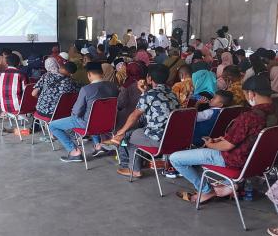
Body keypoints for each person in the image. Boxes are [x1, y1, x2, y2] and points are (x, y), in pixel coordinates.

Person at [170, 75, 277, 204]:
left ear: (251, 94)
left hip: (232, 159)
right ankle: (226, 185)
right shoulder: (274, 113)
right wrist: (225, 139)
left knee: (175, 159)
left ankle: (206, 190)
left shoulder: (250, 116)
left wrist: (210, 145)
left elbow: (227, 146)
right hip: (258, 162)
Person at [109, 64, 180, 177]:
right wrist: (144, 92)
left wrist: (120, 132)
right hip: (173, 137)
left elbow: (134, 116)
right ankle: (139, 163)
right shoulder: (173, 94)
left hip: (158, 139)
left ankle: (133, 169)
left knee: (127, 136)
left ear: (149, 78)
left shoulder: (149, 94)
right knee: (135, 133)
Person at [49, 62, 119, 162]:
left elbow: (76, 112)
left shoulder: (86, 89)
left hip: (88, 124)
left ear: (89, 74)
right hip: (109, 123)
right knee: (94, 114)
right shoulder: (113, 87)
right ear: (102, 73)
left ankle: (74, 151)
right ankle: (98, 146)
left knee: (53, 126)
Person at [115, 62, 145, 128]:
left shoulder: (126, 86)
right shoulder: (146, 84)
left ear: (128, 71)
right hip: (143, 117)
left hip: (128, 118)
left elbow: (120, 104)